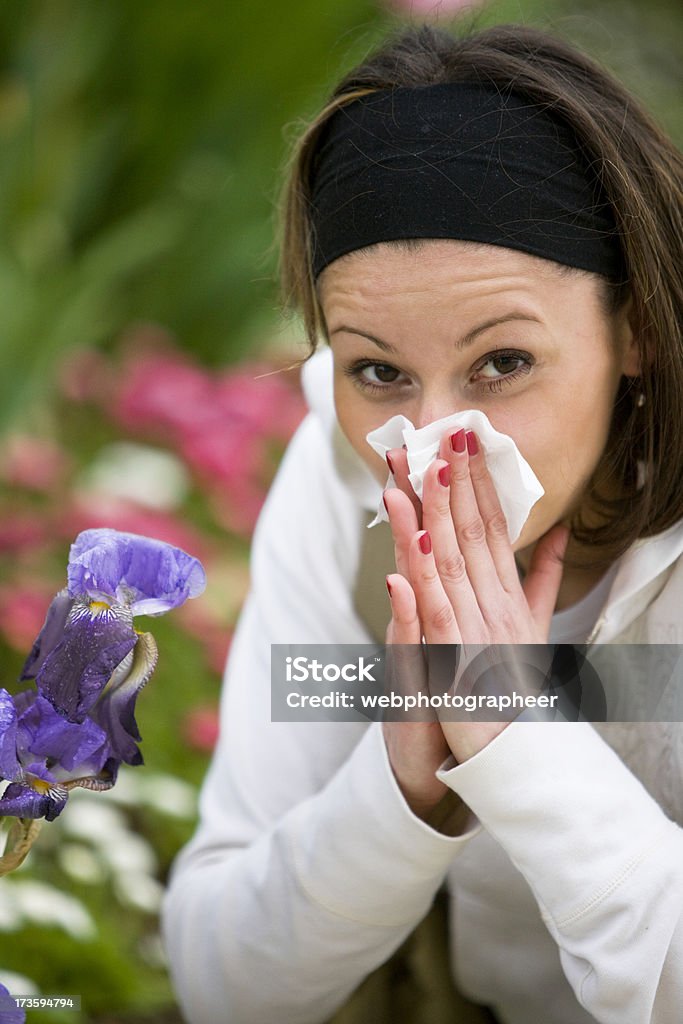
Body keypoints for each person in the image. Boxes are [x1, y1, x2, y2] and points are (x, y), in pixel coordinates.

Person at [162, 23, 683, 1024]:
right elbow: (220, 981)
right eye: (377, 371)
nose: (431, 443)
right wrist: (398, 792)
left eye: (501, 363)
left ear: (637, 332)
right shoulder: (338, 477)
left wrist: (516, 742)